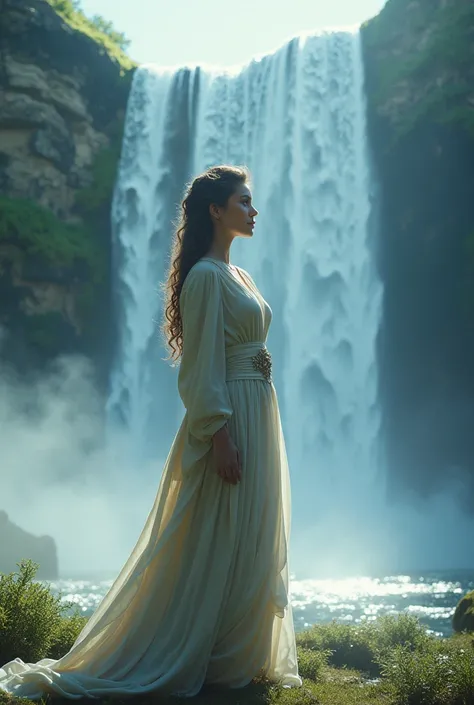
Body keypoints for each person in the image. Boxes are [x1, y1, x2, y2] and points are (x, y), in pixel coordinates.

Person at [0, 165, 302, 699]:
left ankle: (232, 654)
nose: (254, 211)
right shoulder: (207, 277)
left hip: (258, 410)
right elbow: (201, 365)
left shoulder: (240, 276)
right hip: (230, 416)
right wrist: (219, 434)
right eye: (244, 201)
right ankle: (192, 652)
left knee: (248, 532)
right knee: (213, 534)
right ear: (216, 209)